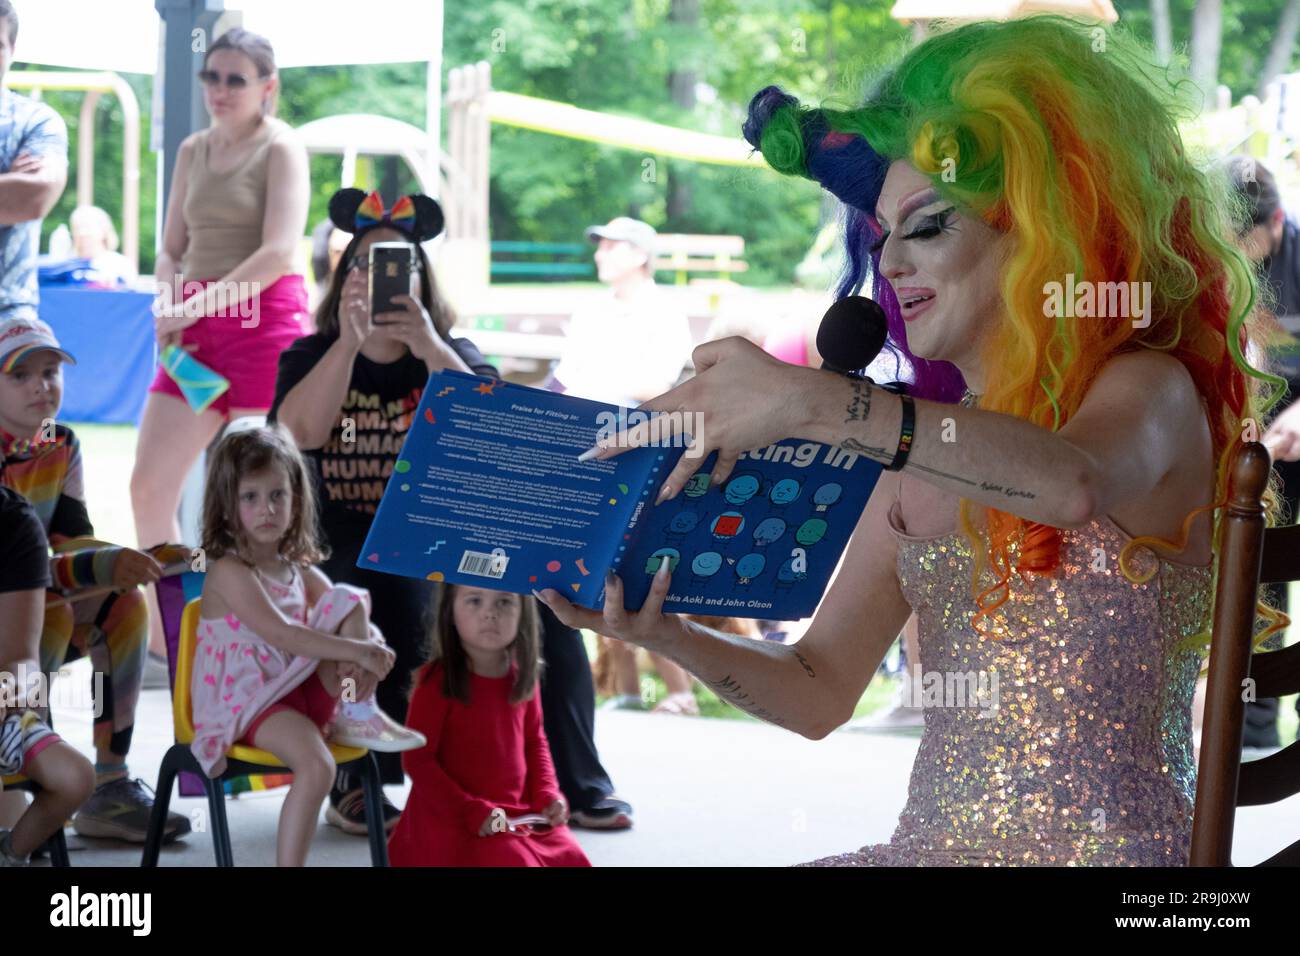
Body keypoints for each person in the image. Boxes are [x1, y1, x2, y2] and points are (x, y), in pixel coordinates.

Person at [538, 15, 1290, 866]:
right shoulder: (913, 449)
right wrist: (662, 633)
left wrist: (811, 402)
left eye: (928, 225)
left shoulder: (1146, 386)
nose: (890, 264)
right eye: (880, 233)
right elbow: (820, 692)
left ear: (1048, 231)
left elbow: (1072, 484)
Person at [272, 187, 634, 834]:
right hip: (342, 534)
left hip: (440, 527)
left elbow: (490, 427)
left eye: (398, 267)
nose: (379, 281)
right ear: (343, 279)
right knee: (366, 594)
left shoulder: (451, 352)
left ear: (422, 282)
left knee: (547, 607)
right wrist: (348, 345)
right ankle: (359, 781)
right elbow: (299, 434)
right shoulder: (310, 355)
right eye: (365, 265)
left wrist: (431, 344)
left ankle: (576, 782)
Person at [130, 27, 310, 661]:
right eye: (212, 77)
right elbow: (171, 246)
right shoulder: (191, 149)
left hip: (264, 329)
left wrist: (193, 302)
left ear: (268, 86)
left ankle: (270, 635)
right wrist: (167, 301)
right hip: (195, 339)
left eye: (236, 79)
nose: (221, 90)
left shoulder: (283, 147)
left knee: (260, 490)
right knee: (149, 488)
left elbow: (278, 251)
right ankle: (168, 642)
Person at [0, 316, 191, 843]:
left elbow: (69, 542)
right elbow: (28, 571)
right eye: (21, 376)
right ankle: (33, 766)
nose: (43, 386)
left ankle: (109, 783)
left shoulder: (61, 442)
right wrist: (107, 564)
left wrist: (137, 559)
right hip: (11, 614)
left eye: (51, 372)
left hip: (36, 594)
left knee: (126, 606)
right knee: (56, 612)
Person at [191, 424, 415, 866]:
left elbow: (347, 612)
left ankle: (356, 710)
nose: (267, 509)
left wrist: (370, 645)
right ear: (226, 506)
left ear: (296, 501)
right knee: (318, 768)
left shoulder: (296, 568)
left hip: (299, 686)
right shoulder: (230, 571)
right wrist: (357, 652)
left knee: (348, 599)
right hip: (251, 701)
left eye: (278, 495)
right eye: (250, 497)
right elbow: (282, 634)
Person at [388, 584, 591, 867]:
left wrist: (548, 793)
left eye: (505, 602)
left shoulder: (524, 676)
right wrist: (470, 810)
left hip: (516, 813)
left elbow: (535, 741)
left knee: (571, 856)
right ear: (450, 612)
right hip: (455, 818)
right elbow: (417, 760)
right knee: (514, 861)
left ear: (524, 613)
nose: (490, 614)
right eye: (474, 601)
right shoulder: (435, 681)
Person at [1226, 156, 1300, 749]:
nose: (1239, 249)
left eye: (1245, 236)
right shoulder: (1222, 265)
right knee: (1260, 562)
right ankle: (1256, 725)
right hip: (1261, 432)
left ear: (1276, 221)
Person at [0, 484, 96, 867]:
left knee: (75, 777)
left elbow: (22, 662)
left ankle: (11, 852)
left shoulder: (13, 522)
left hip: (4, 708)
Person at [0, 0, 68, 323]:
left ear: (12, 49)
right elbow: (15, 199)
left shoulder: (36, 121)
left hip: (9, 317)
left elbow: (35, 196)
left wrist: (20, 193)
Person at [68, 205, 137, 284]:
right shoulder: (66, 265)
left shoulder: (121, 264)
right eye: (77, 228)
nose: (82, 233)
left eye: (88, 227)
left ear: (104, 230)